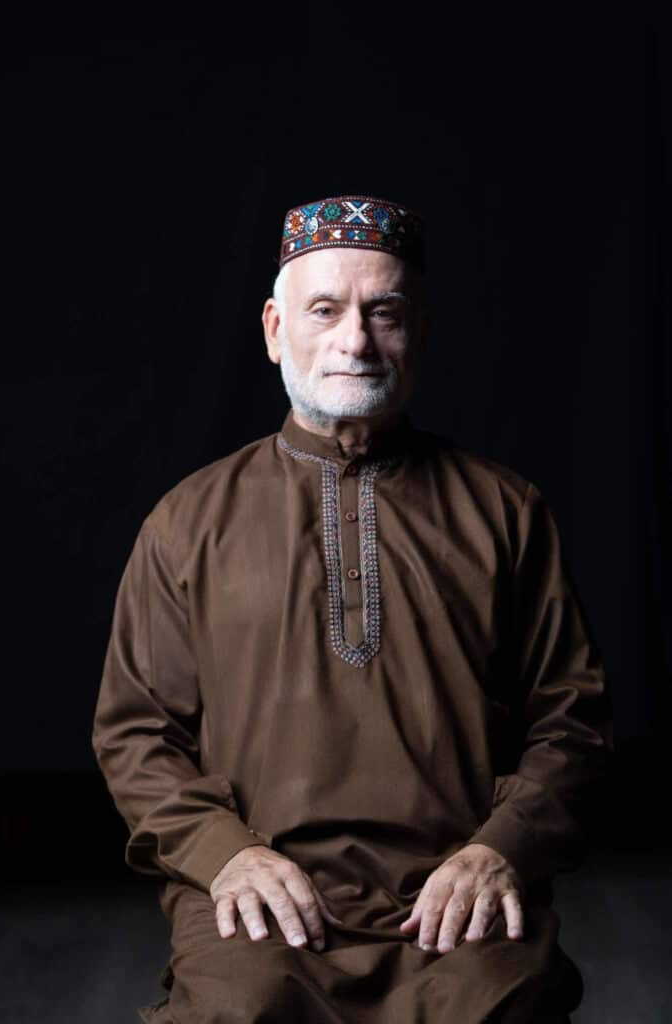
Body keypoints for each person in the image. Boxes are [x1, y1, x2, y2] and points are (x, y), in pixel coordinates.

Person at [91, 193, 614, 1023]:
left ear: (419, 332)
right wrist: (226, 856)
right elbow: (136, 732)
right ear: (274, 330)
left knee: (496, 1008)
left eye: (385, 313)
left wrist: (499, 850)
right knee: (238, 1009)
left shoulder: (505, 511)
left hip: (454, 893)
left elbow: (572, 720)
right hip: (266, 896)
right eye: (325, 310)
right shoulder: (187, 521)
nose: (356, 341)